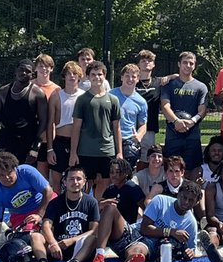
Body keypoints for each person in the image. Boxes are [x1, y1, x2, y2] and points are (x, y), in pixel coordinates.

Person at [115, 179, 203, 262]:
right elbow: (144, 228)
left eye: (191, 200)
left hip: (150, 244)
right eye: (184, 197)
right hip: (134, 233)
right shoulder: (160, 201)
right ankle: (99, 253)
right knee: (110, 210)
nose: (186, 202)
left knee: (138, 251)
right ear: (178, 194)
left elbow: (191, 249)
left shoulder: (191, 223)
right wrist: (171, 232)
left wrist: (189, 253)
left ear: (196, 203)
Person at [0, 151, 56, 262]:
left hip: (46, 203)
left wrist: (40, 215)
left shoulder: (26, 171)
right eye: (2, 175)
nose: (7, 177)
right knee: (27, 241)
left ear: (15, 168)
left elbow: (47, 191)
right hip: (21, 215)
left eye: (9, 173)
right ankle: (8, 234)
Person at [86, 157, 147, 262]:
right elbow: (97, 214)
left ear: (125, 173)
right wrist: (101, 204)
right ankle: (75, 260)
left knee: (110, 208)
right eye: (111, 172)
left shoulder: (132, 188)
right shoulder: (109, 189)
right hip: (110, 233)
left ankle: (99, 256)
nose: (113, 175)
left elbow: (147, 210)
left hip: (128, 232)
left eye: (117, 172)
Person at [70, 60, 122, 196]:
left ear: (104, 76)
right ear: (88, 77)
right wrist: (73, 153)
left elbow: (116, 128)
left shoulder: (113, 100)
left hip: (107, 151)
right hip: (86, 151)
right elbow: (76, 127)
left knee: (105, 183)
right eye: (93, 74)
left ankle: (98, 211)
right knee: (85, 184)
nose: (97, 77)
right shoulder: (82, 100)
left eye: (100, 74)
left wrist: (119, 152)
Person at [41, 165, 102, 262]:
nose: (75, 182)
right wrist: (53, 243)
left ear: (84, 182)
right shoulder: (54, 203)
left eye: (79, 179)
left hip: (80, 247)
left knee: (93, 239)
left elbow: (94, 231)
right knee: (36, 237)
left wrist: (72, 240)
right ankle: (42, 261)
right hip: (58, 246)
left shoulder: (91, 202)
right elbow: (46, 225)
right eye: (71, 179)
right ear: (65, 182)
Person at [0, 60, 50, 167]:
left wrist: (35, 147)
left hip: (26, 141)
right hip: (6, 139)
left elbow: (43, 121)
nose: (24, 73)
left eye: (28, 71)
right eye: (21, 69)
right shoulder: (3, 91)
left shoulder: (38, 94)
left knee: (22, 175)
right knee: (0, 172)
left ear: (32, 75)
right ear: (16, 71)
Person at [160, 51, 209, 179]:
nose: (188, 65)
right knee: (172, 169)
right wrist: (176, 122)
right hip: (173, 134)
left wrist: (192, 121)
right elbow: (165, 106)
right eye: (185, 62)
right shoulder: (169, 84)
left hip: (192, 135)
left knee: (193, 170)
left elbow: (202, 110)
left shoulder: (201, 87)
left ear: (195, 66)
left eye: (191, 63)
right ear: (179, 64)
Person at [46, 61, 85, 186]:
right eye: (69, 74)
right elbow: (50, 123)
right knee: (56, 180)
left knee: (79, 178)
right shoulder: (56, 96)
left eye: (75, 74)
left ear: (79, 76)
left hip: (80, 142)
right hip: (60, 141)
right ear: (64, 77)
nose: (72, 76)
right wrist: (50, 148)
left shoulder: (84, 96)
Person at [134, 49, 173, 164]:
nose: (146, 63)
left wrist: (170, 77)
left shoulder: (158, 82)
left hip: (149, 127)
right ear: (138, 64)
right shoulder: (132, 81)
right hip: (132, 127)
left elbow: (177, 76)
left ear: (154, 64)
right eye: (143, 60)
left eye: (149, 60)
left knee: (146, 159)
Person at [109, 63, 148, 169]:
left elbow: (143, 125)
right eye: (127, 76)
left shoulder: (141, 102)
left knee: (125, 174)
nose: (130, 79)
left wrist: (139, 135)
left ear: (138, 79)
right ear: (121, 77)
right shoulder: (110, 95)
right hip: (110, 139)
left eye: (133, 76)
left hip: (128, 140)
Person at [32, 53, 61, 177]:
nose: (44, 69)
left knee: (42, 174)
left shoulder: (57, 89)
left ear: (51, 68)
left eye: (47, 66)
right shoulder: (29, 85)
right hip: (30, 135)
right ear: (35, 68)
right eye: (41, 66)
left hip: (47, 138)